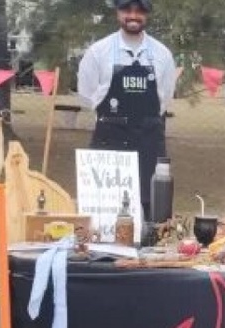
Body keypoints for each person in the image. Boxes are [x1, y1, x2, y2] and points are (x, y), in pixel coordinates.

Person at [77, 0, 176, 219]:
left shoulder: (162, 55)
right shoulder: (97, 52)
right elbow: (86, 95)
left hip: (149, 141)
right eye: (127, 10)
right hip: (110, 140)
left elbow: (165, 97)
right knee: (106, 210)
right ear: (117, 12)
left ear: (147, 14)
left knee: (153, 208)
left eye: (139, 11)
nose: (133, 16)